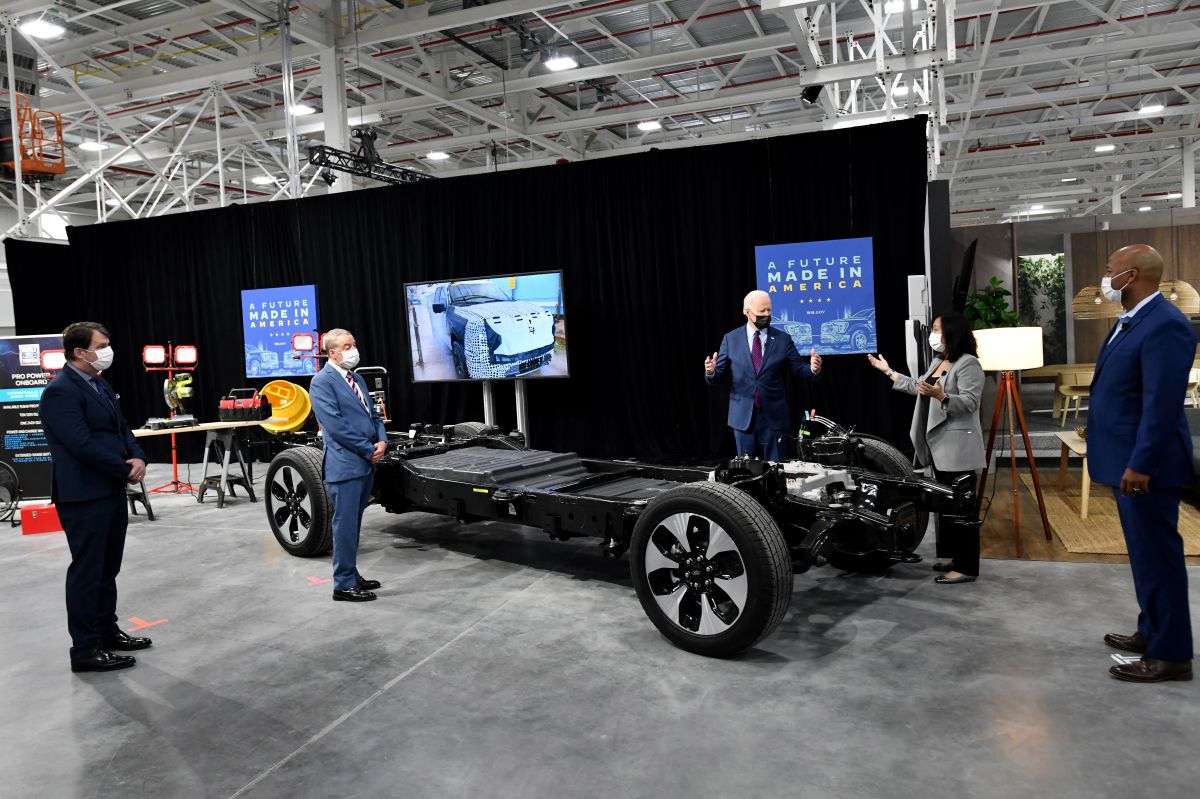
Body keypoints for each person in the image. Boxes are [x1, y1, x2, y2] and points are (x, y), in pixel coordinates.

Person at [1088, 244, 1194, 683]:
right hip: (1126, 461)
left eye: (1109, 270)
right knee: (1145, 557)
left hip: (1145, 467)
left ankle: (1171, 654)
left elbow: (1161, 405)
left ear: (1131, 276)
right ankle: (1152, 631)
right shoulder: (1131, 321)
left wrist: (1141, 464)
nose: (1104, 278)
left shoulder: (1166, 325)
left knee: (1158, 558)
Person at [39, 322, 149, 673]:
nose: (107, 350)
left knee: (107, 568)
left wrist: (138, 456)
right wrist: (122, 467)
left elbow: (121, 428)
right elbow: (81, 444)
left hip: (108, 489)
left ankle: (107, 631)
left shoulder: (99, 383)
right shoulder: (60, 392)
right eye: (101, 345)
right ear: (79, 352)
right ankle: (85, 649)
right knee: (88, 570)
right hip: (84, 494)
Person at [867, 311, 984, 585]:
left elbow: (969, 403)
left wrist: (942, 396)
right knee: (948, 510)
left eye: (936, 329)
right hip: (939, 450)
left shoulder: (969, 364)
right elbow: (918, 387)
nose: (933, 334)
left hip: (959, 451)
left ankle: (967, 567)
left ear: (952, 333)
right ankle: (956, 558)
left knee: (963, 511)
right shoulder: (939, 361)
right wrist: (889, 371)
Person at [310, 328, 389, 602]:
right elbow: (336, 426)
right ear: (332, 353)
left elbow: (374, 415)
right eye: (346, 346)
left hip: (366, 463)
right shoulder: (322, 382)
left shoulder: (357, 379)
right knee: (344, 526)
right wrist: (368, 449)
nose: (353, 350)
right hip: (346, 466)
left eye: (353, 344)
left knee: (353, 525)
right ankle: (342, 584)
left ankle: (351, 574)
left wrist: (382, 440)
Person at [704, 290, 822, 461]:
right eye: (761, 311)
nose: (766, 315)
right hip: (743, 418)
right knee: (746, 471)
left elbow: (800, 369)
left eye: (769, 310)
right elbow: (717, 377)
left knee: (776, 469)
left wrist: (813, 369)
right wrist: (711, 371)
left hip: (773, 419)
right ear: (747, 312)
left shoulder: (783, 339)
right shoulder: (731, 339)